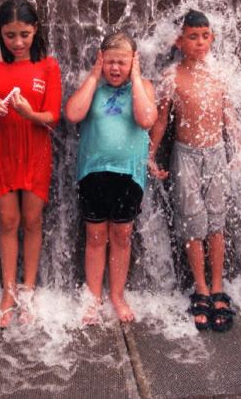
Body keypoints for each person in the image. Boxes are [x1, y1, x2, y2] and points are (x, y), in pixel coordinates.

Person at [148, 10, 241, 332]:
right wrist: (150, 154)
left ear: (211, 38)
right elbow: (161, 120)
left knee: (216, 223)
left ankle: (218, 287)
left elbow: (229, 115)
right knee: (193, 223)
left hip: (215, 154)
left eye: (205, 36)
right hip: (184, 155)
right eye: (193, 36)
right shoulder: (172, 78)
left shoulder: (219, 75)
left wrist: (239, 150)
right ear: (180, 40)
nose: (200, 42)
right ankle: (200, 287)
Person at [0, 0, 61, 327]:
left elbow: (53, 117)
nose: (18, 42)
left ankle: (29, 290)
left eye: (24, 34)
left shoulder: (48, 66)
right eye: (10, 35)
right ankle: (8, 292)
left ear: (35, 29)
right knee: (8, 221)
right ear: (0, 33)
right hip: (3, 153)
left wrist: (28, 113)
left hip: (36, 153)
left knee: (32, 221)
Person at [65, 32, 157, 324]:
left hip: (129, 175)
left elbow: (146, 119)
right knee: (95, 236)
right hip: (93, 173)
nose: (115, 68)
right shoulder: (93, 88)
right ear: (101, 60)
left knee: (122, 235)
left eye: (123, 62)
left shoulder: (144, 88)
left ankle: (117, 294)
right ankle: (93, 296)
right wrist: (93, 76)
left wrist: (138, 78)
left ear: (134, 62)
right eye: (110, 62)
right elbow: (72, 113)